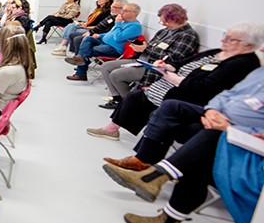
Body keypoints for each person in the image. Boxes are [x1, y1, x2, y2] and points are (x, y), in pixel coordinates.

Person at [100, 63, 264, 223]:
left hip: (249, 149)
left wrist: (236, 130)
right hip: (226, 130)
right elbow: (226, 95)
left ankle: (154, 178)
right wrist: (213, 111)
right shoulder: (259, 73)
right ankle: (163, 208)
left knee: (209, 141)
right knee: (177, 113)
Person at [87, 22, 263, 142]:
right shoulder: (217, 51)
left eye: (230, 39)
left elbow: (210, 86)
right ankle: (114, 129)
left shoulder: (243, 63)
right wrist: (169, 66)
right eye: (225, 35)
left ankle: (145, 155)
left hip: (188, 91)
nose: (223, 40)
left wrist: (175, 77)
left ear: (248, 45)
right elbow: (183, 62)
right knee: (135, 95)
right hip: (169, 77)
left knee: (130, 87)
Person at [97, 3, 200, 109]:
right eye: (162, 21)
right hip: (143, 60)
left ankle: (129, 104)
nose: (163, 24)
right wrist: (143, 48)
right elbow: (151, 47)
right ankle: (117, 98)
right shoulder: (164, 31)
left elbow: (173, 59)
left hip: (156, 68)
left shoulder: (187, 36)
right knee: (106, 67)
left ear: (177, 19)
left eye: (165, 21)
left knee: (116, 75)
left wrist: (146, 49)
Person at [64, 3, 143, 81]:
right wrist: (100, 35)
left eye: (125, 11)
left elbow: (118, 38)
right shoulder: (123, 22)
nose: (122, 12)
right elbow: (111, 33)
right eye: (123, 10)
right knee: (81, 39)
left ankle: (80, 71)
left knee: (86, 49)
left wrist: (117, 23)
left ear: (134, 14)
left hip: (113, 49)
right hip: (104, 42)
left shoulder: (134, 26)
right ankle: (80, 59)